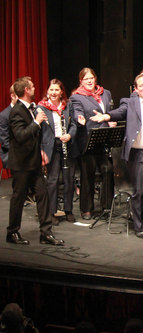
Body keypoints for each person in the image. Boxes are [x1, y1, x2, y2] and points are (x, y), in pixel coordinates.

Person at [90, 73, 143, 239]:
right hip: (139, 154)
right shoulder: (130, 103)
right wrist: (105, 116)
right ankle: (139, 226)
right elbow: (119, 113)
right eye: (141, 85)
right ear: (136, 89)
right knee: (140, 192)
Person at [6, 77, 64, 246]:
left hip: (34, 161)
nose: (34, 88)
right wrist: (36, 122)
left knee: (43, 195)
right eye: (31, 86)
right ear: (25, 90)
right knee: (19, 197)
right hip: (22, 164)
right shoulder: (17, 111)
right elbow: (21, 136)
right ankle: (12, 232)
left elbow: (32, 138)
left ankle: (45, 233)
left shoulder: (31, 108)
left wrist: (40, 152)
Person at [70, 68, 115, 221]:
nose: (89, 81)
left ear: (95, 79)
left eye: (91, 78)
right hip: (87, 140)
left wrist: (111, 120)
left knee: (108, 170)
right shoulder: (77, 97)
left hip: (103, 139)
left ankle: (106, 206)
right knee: (87, 174)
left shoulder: (105, 93)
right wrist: (79, 118)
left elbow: (110, 111)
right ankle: (86, 209)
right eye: (85, 79)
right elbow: (76, 112)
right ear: (81, 81)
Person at [38, 79, 78, 224]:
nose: (54, 93)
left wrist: (69, 135)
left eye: (57, 90)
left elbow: (73, 124)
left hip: (67, 144)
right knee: (52, 180)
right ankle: (52, 211)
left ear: (61, 92)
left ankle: (68, 210)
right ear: (47, 91)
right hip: (52, 146)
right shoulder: (41, 107)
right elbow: (40, 131)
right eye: (51, 90)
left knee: (69, 179)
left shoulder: (68, 105)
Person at [0, 84, 18, 170]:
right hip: (12, 154)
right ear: (12, 96)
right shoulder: (4, 115)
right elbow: (5, 141)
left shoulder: (29, 110)